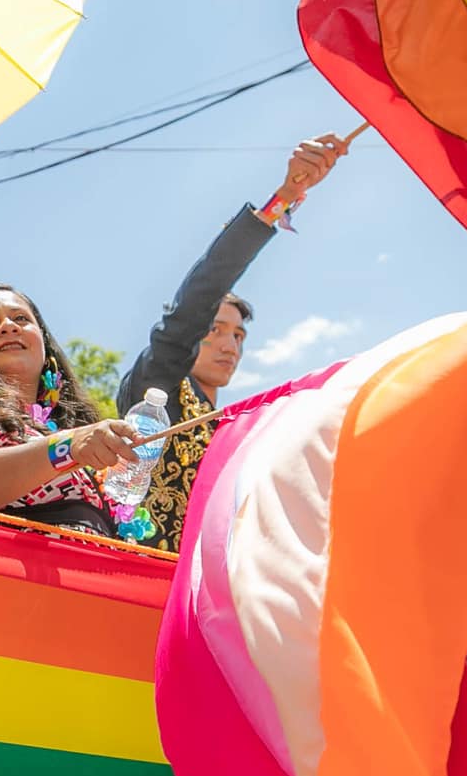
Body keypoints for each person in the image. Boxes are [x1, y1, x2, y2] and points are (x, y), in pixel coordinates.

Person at [116, 135, 348, 551]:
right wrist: (284, 198)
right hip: (137, 579)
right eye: (214, 330)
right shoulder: (159, 391)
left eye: (238, 335)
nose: (229, 345)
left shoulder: (233, 428)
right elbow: (203, 292)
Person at [0, 284, 143, 538]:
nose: (9, 326)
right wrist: (64, 448)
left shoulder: (71, 428)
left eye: (21, 318)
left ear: (44, 342)